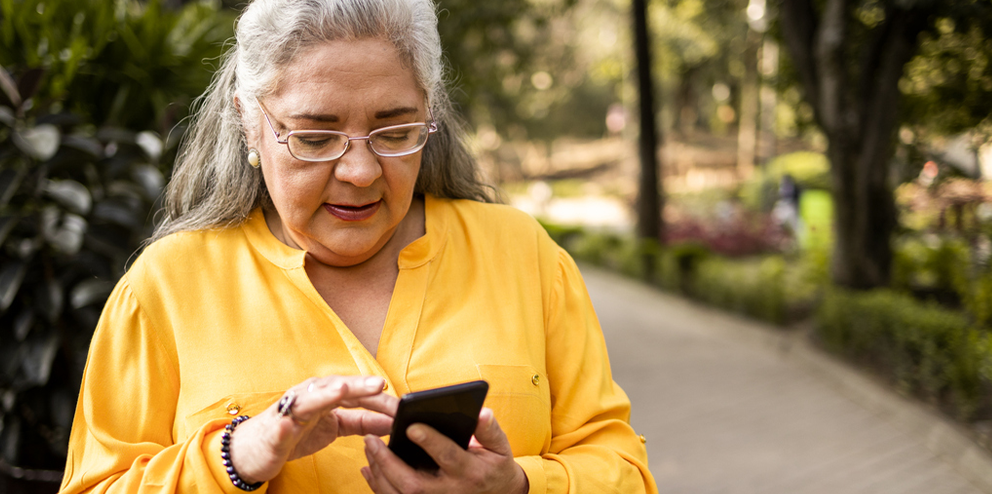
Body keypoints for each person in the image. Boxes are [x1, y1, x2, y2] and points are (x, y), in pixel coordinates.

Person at [59, 0, 657, 492]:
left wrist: (518, 487)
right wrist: (236, 455)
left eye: (395, 132)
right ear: (249, 121)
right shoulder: (167, 287)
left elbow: (624, 469)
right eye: (316, 138)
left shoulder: (522, 255)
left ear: (430, 116)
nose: (362, 171)